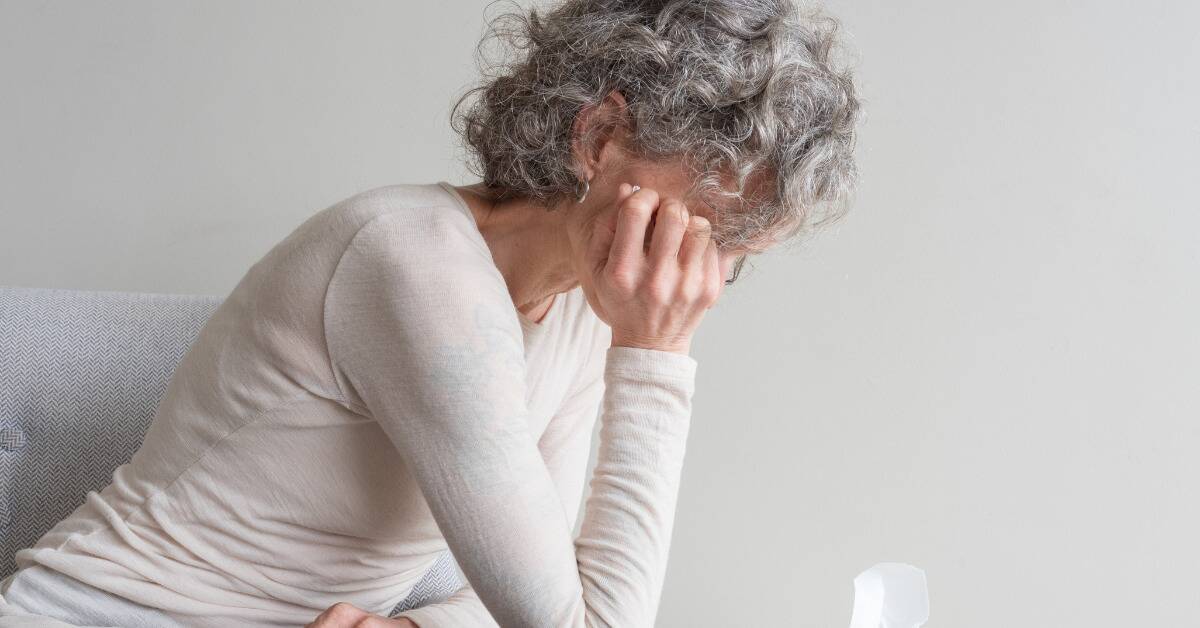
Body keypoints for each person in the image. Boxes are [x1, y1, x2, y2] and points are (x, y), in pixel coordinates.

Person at [0, 0, 860, 626]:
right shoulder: (416, 267)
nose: (706, 277)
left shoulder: (573, 306)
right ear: (601, 138)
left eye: (740, 249)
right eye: (712, 218)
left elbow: (546, 583)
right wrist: (658, 357)